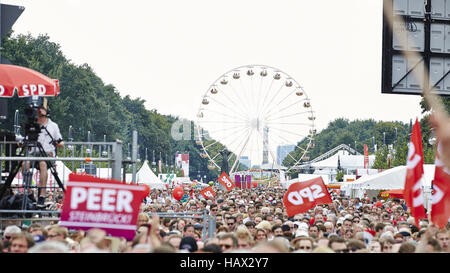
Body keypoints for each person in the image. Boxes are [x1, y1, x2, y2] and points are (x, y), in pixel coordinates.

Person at [24, 99, 64, 207]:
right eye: (38, 109)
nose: (39, 111)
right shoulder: (32, 124)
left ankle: (42, 195)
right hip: (34, 151)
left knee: (43, 163)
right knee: (25, 163)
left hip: (47, 152)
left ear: (47, 111)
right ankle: (29, 191)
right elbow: (26, 138)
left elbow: (61, 142)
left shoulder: (53, 126)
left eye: (42, 108)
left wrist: (57, 144)